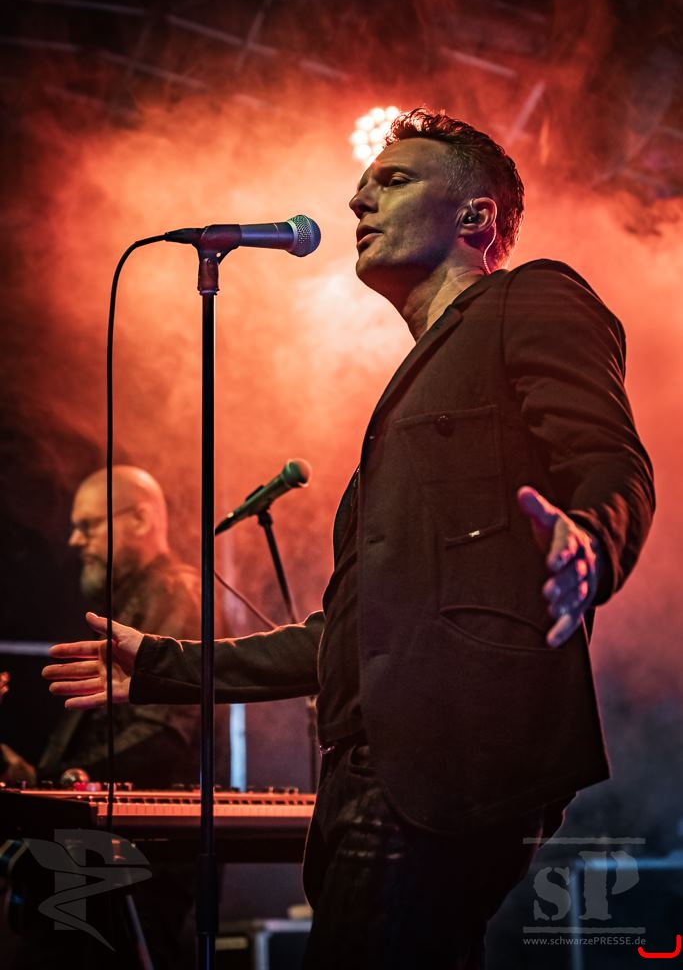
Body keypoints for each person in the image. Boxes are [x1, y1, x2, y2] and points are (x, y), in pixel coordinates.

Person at [44, 109, 655, 970]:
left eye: (393, 180)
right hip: (377, 773)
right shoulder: (415, 384)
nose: (357, 201)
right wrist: (162, 667)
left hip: (446, 758)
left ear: (476, 217)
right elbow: (349, 635)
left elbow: (612, 462)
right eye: (363, 186)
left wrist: (590, 543)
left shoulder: (531, 297)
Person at [7, 465, 209, 969]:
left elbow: (165, 731)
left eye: (89, 525)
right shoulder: (135, 601)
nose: (74, 540)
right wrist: (40, 779)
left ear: (139, 519)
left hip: (135, 856)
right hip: (104, 848)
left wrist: (53, 784)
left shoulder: (175, 592)